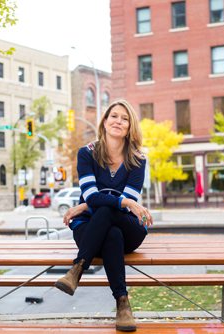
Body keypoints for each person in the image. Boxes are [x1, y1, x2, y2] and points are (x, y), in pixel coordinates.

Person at [54, 99, 153, 332]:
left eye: (125, 118)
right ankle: (122, 303)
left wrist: (86, 205)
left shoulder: (138, 160)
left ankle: (78, 267)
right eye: (114, 116)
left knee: (110, 213)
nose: (118, 121)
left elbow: (104, 203)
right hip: (91, 230)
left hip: (129, 228)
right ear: (105, 122)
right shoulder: (86, 154)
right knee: (112, 234)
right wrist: (123, 201)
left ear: (130, 127)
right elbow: (95, 197)